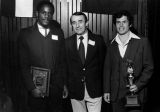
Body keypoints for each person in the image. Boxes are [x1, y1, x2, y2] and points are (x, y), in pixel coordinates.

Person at [18, 1, 68, 112]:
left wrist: (63, 84)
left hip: (56, 88)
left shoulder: (58, 32)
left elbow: (62, 61)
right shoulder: (25, 34)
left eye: (50, 13)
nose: (47, 16)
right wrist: (31, 87)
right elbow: (23, 65)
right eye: (43, 12)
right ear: (37, 13)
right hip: (37, 88)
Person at [103, 10, 154, 112]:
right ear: (115, 24)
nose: (121, 25)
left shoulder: (142, 42)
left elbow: (149, 67)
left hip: (135, 94)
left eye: (124, 22)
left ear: (130, 24)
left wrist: (138, 85)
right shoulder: (111, 44)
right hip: (116, 95)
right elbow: (107, 69)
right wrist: (106, 90)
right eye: (118, 22)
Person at [65, 12, 106, 112]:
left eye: (80, 22)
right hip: (75, 90)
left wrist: (105, 88)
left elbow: (103, 65)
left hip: (94, 89)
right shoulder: (67, 42)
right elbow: (65, 67)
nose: (77, 25)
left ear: (87, 23)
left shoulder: (98, 40)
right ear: (71, 25)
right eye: (74, 23)